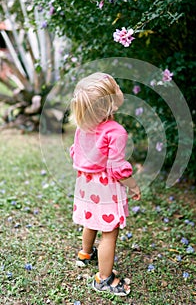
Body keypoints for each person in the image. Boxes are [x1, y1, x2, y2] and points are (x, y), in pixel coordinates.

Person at [70, 72, 141, 297]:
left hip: (85, 184)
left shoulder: (83, 127)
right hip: (105, 187)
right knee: (109, 231)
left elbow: (75, 153)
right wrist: (133, 184)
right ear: (109, 104)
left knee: (91, 219)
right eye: (116, 90)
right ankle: (104, 278)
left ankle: (85, 253)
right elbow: (116, 167)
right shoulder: (116, 131)